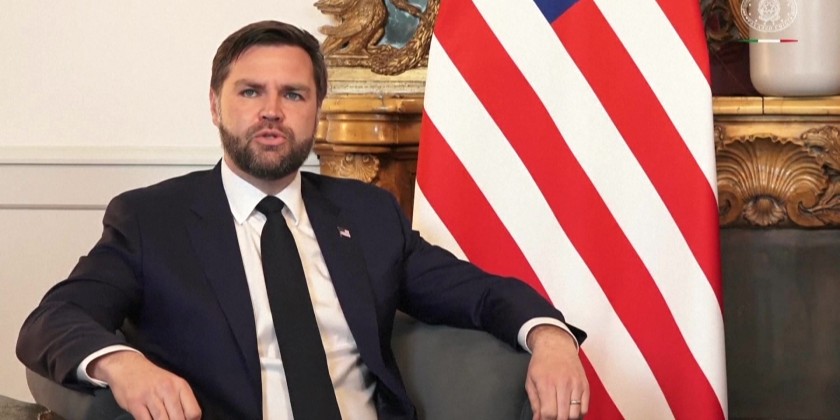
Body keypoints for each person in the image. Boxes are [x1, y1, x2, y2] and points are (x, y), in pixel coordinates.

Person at [17, 20, 589, 420]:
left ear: (317, 109)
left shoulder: (367, 214)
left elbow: (478, 294)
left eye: (293, 94)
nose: (271, 111)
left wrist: (551, 338)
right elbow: (55, 318)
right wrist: (122, 364)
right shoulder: (152, 220)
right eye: (250, 92)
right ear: (216, 105)